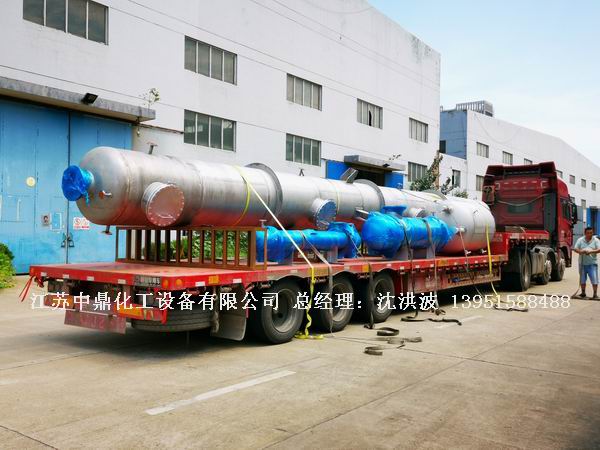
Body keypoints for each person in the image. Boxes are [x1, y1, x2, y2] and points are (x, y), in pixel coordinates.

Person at [573, 227, 600, 299]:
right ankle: (583, 293)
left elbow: (599, 249)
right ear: (585, 233)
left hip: (592, 263)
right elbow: (575, 249)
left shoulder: (596, 240)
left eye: (591, 233)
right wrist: (581, 251)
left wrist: (591, 251)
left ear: (593, 233)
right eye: (588, 233)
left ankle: (595, 294)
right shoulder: (580, 240)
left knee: (594, 279)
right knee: (582, 279)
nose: (589, 234)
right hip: (582, 263)